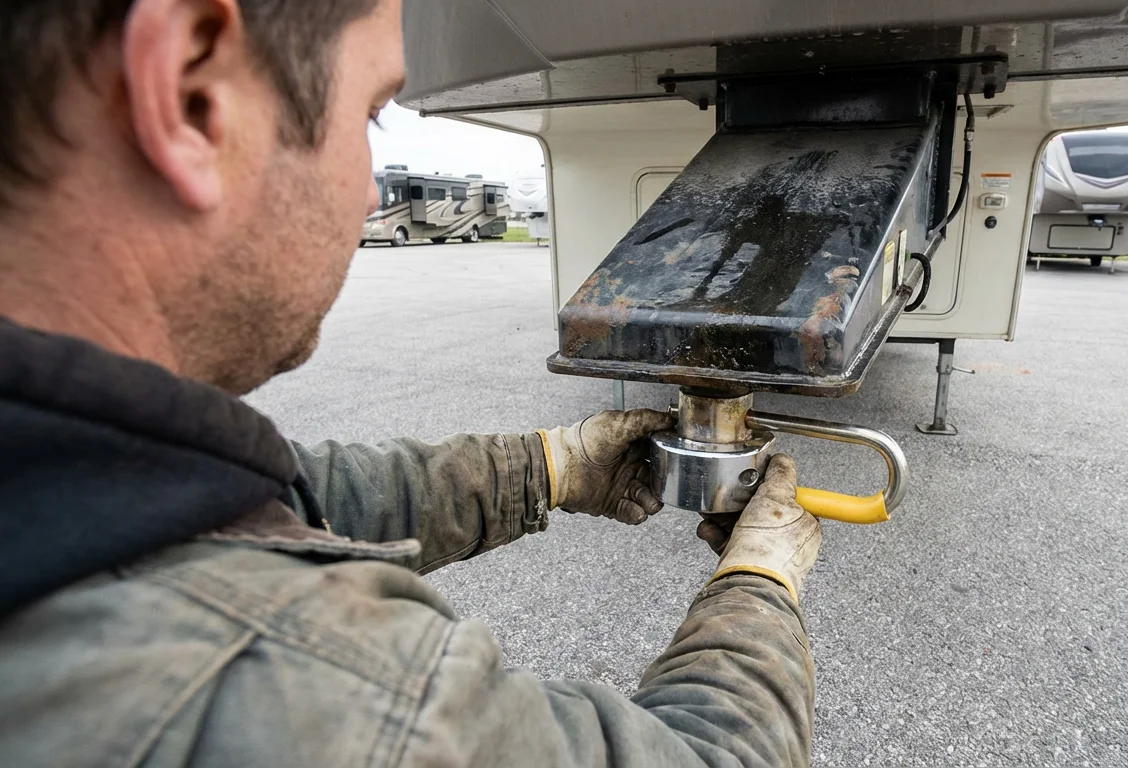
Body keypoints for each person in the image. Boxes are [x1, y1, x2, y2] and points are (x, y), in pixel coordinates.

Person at [0, 1, 824, 766]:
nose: (369, 194)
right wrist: (760, 584)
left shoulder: (71, 473)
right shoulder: (272, 683)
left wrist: (550, 466)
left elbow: (296, 497)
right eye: (367, 114)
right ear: (192, 93)